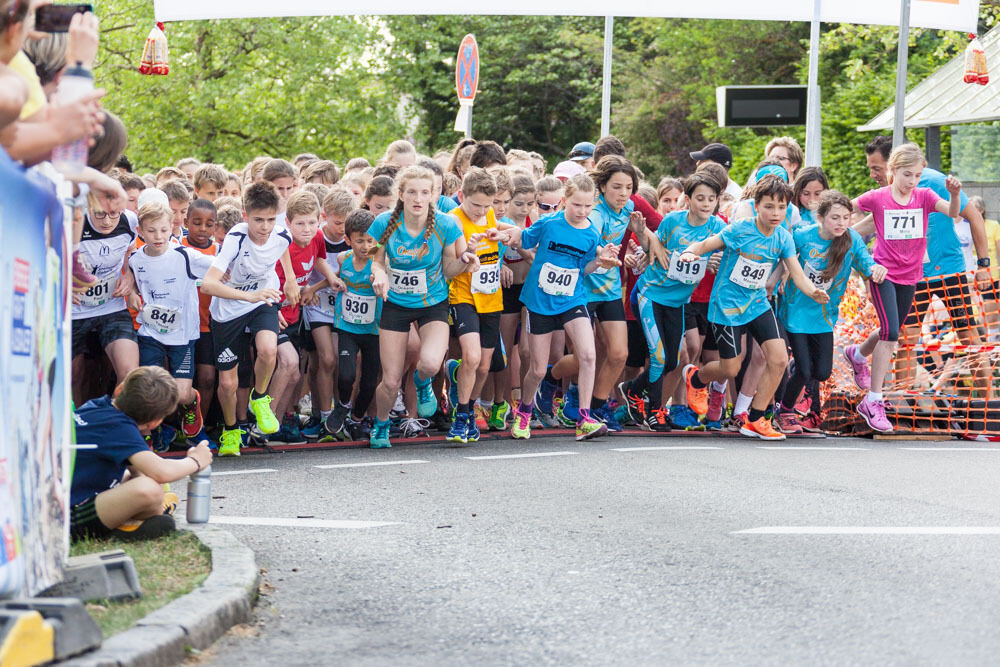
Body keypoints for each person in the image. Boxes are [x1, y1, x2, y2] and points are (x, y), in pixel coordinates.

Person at [678, 175, 830, 441]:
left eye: (782, 208)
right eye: (769, 206)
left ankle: (757, 418)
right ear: (757, 205)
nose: (776, 213)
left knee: (779, 358)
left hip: (757, 304)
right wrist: (691, 252)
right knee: (730, 368)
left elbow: (796, 273)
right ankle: (696, 378)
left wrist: (813, 291)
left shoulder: (783, 237)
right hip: (727, 306)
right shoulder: (740, 230)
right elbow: (707, 244)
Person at [846, 143, 963, 433]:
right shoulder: (878, 197)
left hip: (911, 275)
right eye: (907, 175)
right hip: (882, 273)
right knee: (891, 333)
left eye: (917, 175)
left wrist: (955, 192)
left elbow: (952, 211)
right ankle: (873, 400)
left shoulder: (923, 196)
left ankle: (858, 354)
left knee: (891, 328)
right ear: (893, 170)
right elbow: (844, 207)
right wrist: (862, 259)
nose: (912, 181)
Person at [498, 173, 620, 441]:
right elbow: (523, 240)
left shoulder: (591, 232)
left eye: (588, 206)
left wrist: (601, 262)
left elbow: (584, 267)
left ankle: (585, 418)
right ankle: (525, 410)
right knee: (538, 369)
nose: (582, 211)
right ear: (565, 201)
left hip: (572, 299)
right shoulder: (549, 224)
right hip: (540, 301)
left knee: (588, 355)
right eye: (577, 205)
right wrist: (502, 232)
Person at [367, 165, 476, 449]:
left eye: (424, 192)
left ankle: (423, 381)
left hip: (433, 303)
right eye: (412, 192)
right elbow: (374, 259)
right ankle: (380, 425)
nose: (418, 198)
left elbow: (450, 269)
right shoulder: (383, 223)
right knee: (390, 382)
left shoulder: (446, 224)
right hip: (396, 304)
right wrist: (378, 275)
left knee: (429, 363)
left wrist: (465, 262)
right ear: (401, 194)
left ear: (433, 195)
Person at [199, 181, 299, 456]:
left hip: (262, 300)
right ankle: (231, 430)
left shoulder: (280, 233)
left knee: (268, 349)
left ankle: (259, 398)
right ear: (245, 216)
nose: (264, 227)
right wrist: (248, 297)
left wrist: (289, 279)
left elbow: (283, 246)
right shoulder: (236, 238)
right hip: (229, 310)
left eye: (270, 220)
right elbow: (208, 285)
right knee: (228, 383)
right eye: (258, 220)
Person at [775, 191, 886, 434]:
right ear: (821, 217)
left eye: (846, 217)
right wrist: (780, 277)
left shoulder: (852, 240)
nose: (841, 223)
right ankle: (784, 411)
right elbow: (784, 259)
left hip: (824, 315)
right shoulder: (803, 236)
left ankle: (795, 371)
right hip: (795, 311)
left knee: (822, 372)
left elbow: (866, 263)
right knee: (805, 369)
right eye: (835, 218)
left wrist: (876, 270)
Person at [624, 172, 727, 431]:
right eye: (700, 198)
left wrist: (714, 262)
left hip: (678, 302)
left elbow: (728, 254)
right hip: (650, 294)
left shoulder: (717, 228)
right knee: (659, 357)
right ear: (688, 200)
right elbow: (652, 247)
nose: (705, 204)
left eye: (711, 199)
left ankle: (633, 389)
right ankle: (655, 411)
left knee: (672, 361)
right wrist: (643, 238)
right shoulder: (672, 222)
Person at [70, 366, 213, 541]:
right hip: (64, 517)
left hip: (57, 496)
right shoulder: (120, 428)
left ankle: (137, 517)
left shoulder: (97, 406)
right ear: (154, 423)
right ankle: (123, 526)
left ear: (119, 388)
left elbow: (141, 468)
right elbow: (162, 472)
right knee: (150, 490)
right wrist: (195, 460)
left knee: (132, 475)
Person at [127, 201, 215, 442]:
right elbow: (132, 279)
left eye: (164, 230)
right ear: (140, 232)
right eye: (151, 231)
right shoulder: (136, 259)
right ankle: (149, 434)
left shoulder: (185, 256)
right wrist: (133, 293)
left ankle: (192, 402)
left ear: (173, 229)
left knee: (181, 394)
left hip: (183, 335)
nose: (158, 236)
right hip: (150, 333)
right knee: (148, 388)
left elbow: (219, 266)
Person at [269, 191, 345, 442]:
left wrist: (330, 277)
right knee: (286, 365)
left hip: (295, 312)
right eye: (300, 223)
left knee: (294, 372)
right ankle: (261, 421)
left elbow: (319, 259)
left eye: (312, 222)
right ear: (288, 223)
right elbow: (269, 277)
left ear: (319, 220)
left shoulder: (318, 238)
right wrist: (275, 306)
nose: (307, 229)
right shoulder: (282, 243)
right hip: (274, 310)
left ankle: (276, 424)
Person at [445, 168, 506, 444]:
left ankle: (468, 405)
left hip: (491, 296)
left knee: (483, 366)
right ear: (461, 196)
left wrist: (506, 234)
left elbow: (501, 233)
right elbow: (451, 266)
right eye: (475, 205)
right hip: (463, 295)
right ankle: (462, 414)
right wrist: (467, 252)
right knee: (471, 357)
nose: (481, 211)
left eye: (486, 205)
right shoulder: (453, 221)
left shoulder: (488, 214)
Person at [71, 193, 139, 405]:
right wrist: (63, 287)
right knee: (74, 377)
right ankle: (79, 428)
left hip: (111, 307)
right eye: (100, 215)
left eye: (113, 214)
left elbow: (132, 251)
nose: (108, 221)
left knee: (130, 374)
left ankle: (116, 427)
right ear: (88, 207)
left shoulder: (129, 220)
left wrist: (129, 276)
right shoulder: (74, 221)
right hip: (74, 310)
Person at [300, 187, 356, 439]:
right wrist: (313, 288)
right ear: (325, 215)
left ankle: (338, 415)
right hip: (318, 306)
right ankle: (323, 416)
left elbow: (347, 273)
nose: (342, 229)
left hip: (343, 307)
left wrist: (322, 283)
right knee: (327, 359)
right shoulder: (317, 236)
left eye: (346, 223)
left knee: (341, 362)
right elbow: (314, 268)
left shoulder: (353, 238)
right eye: (337, 223)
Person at [323, 209, 383, 439]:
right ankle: (343, 405)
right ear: (348, 240)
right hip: (348, 326)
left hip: (374, 330)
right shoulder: (343, 259)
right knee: (346, 375)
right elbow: (336, 276)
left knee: (369, 381)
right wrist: (327, 284)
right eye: (359, 240)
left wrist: (380, 280)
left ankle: (357, 419)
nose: (365, 246)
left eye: (370, 240)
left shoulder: (380, 261)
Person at [180, 199, 220, 432]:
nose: (203, 229)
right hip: (181, 328)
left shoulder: (220, 253)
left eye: (209, 224)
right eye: (196, 223)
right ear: (186, 222)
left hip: (208, 327)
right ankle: (172, 425)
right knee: (177, 381)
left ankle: (199, 427)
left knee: (206, 378)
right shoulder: (176, 246)